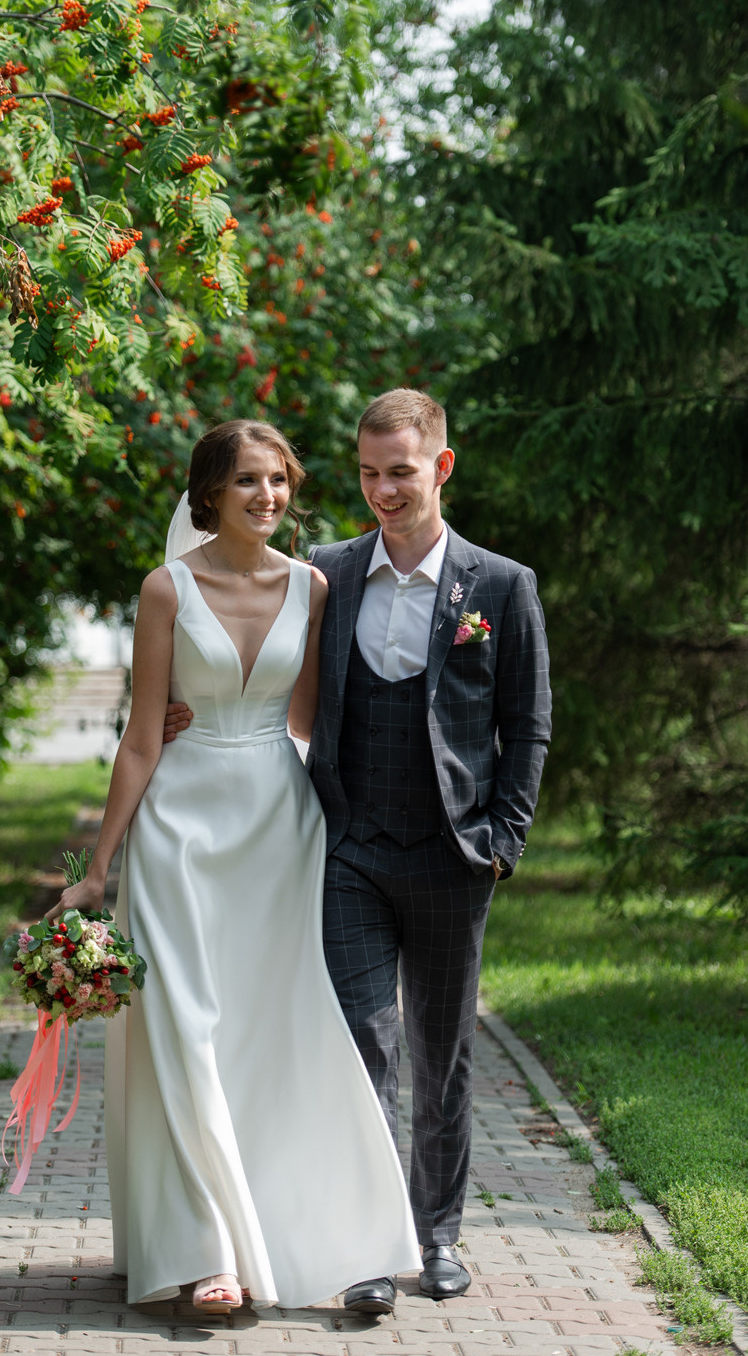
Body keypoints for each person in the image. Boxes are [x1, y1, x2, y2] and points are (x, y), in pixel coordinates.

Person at [164, 388, 552, 1314]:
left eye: (401, 472)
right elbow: (265, 671)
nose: (383, 490)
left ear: (440, 468)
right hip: (349, 851)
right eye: (371, 473)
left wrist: (503, 841)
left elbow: (528, 723)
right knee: (359, 1045)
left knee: (442, 1053)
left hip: (455, 854)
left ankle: (438, 1235)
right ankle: (365, 1246)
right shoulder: (328, 575)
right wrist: (188, 712)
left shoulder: (501, 586)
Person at [50, 420, 419, 1312]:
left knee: (266, 1034)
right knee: (185, 1031)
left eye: (279, 480)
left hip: (280, 832)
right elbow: (142, 738)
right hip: (179, 832)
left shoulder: (313, 587)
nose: (268, 496)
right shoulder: (166, 589)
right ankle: (206, 1254)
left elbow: (309, 720)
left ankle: (292, 1230)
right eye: (249, 480)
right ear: (209, 491)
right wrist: (98, 868)